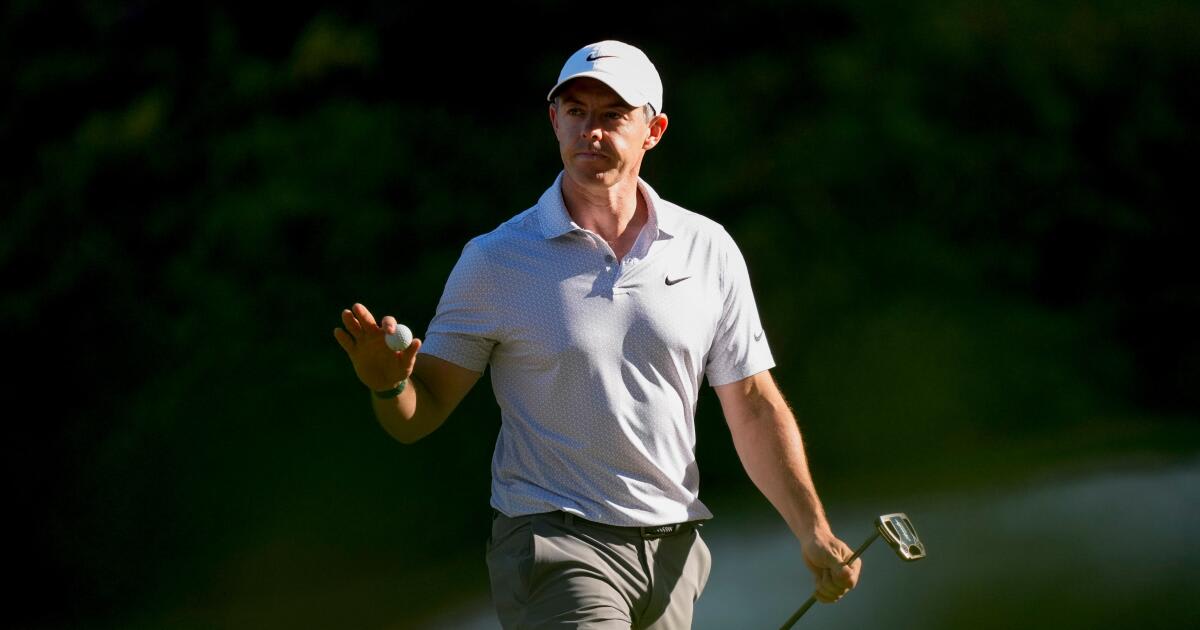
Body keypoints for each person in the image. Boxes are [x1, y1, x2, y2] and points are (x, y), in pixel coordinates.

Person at [333, 40, 861, 629]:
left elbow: (754, 405)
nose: (592, 130)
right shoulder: (496, 260)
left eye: (613, 115)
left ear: (653, 130)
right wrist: (387, 387)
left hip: (673, 551)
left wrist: (813, 530)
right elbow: (419, 412)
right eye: (577, 111)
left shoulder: (707, 248)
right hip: (553, 541)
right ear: (554, 119)